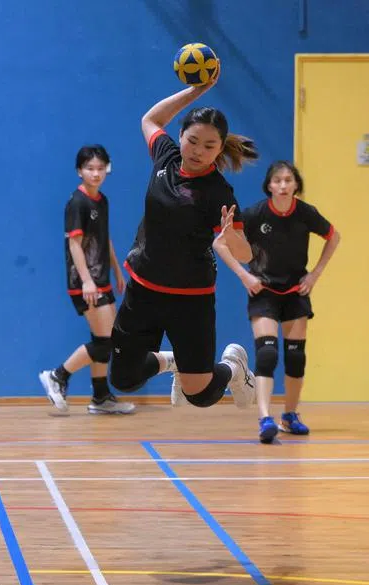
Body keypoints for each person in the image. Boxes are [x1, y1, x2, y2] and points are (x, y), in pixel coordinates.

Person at [108, 68, 259, 410]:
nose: (198, 150)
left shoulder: (218, 192)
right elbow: (150, 118)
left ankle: (233, 367)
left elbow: (246, 253)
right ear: (180, 136)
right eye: (192, 140)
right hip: (144, 288)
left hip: (190, 298)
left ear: (220, 148)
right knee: (123, 378)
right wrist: (196, 90)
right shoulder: (166, 157)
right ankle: (170, 361)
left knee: (201, 395)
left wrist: (229, 236)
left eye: (209, 145)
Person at [225, 161, 340, 442]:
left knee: (295, 357)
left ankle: (290, 415)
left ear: (296, 184)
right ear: (269, 186)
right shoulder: (254, 214)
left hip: (295, 293)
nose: (283, 185)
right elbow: (221, 243)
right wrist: (244, 276)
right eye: (277, 180)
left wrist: (315, 274)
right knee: (267, 354)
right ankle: (265, 419)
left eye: (288, 180)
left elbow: (333, 236)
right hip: (263, 291)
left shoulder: (305, 213)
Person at [38, 145, 134, 416]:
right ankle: (58, 375)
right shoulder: (77, 203)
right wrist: (87, 282)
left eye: (100, 168)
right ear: (79, 171)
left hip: (102, 278)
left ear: (107, 169)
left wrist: (117, 270)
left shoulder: (102, 201)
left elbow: (105, 238)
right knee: (107, 341)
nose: (95, 173)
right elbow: (75, 245)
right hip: (85, 282)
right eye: (90, 168)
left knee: (102, 338)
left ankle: (101, 397)